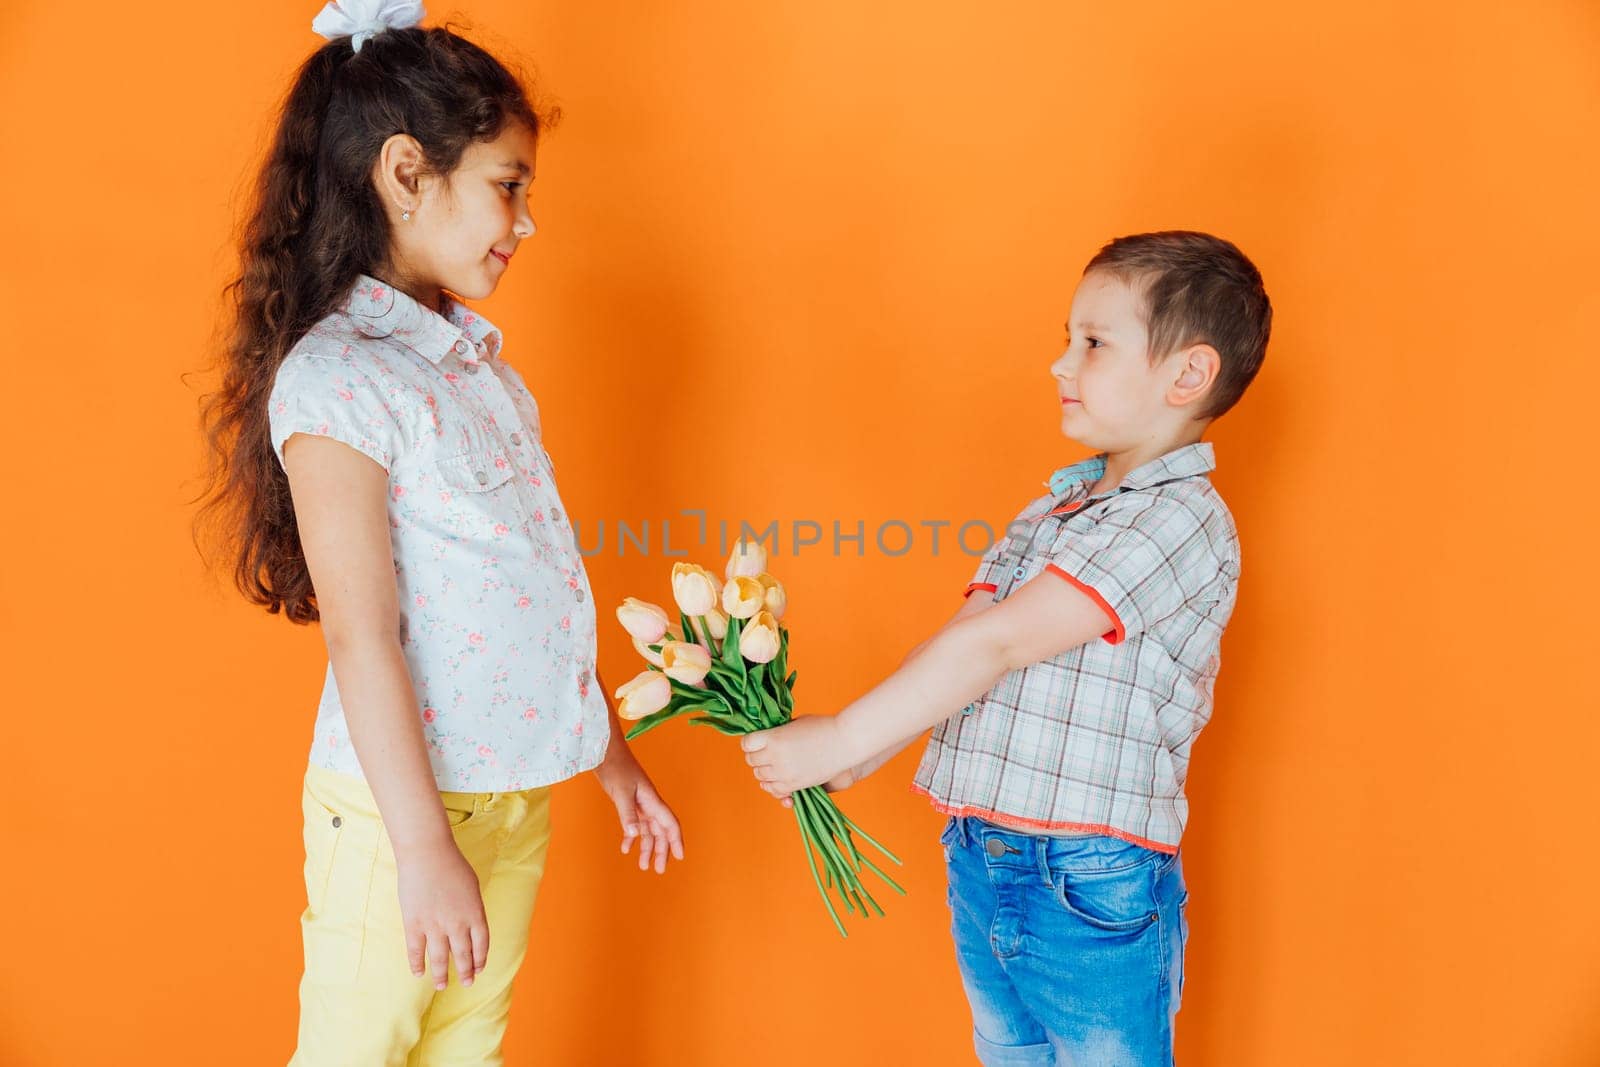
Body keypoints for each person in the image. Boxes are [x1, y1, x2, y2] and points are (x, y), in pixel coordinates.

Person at [196, 4, 684, 1062]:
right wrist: (419, 845)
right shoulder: (340, 380)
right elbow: (362, 635)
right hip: (398, 816)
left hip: (510, 796)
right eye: (508, 185)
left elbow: (528, 596)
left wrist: (613, 761)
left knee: (467, 1045)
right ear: (406, 173)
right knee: (360, 1049)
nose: (525, 220)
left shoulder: (480, 374)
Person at [740, 231, 1271, 1066]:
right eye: (1068, 340)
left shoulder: (1179, 517)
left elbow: (1000, 642)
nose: (1061, 365)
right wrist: (862, 749)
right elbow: (961, 638)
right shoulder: (1048, 514)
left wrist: (843, 734)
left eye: (1092, 344)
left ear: (1188, 375)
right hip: (983, 855)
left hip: (1088, 880)